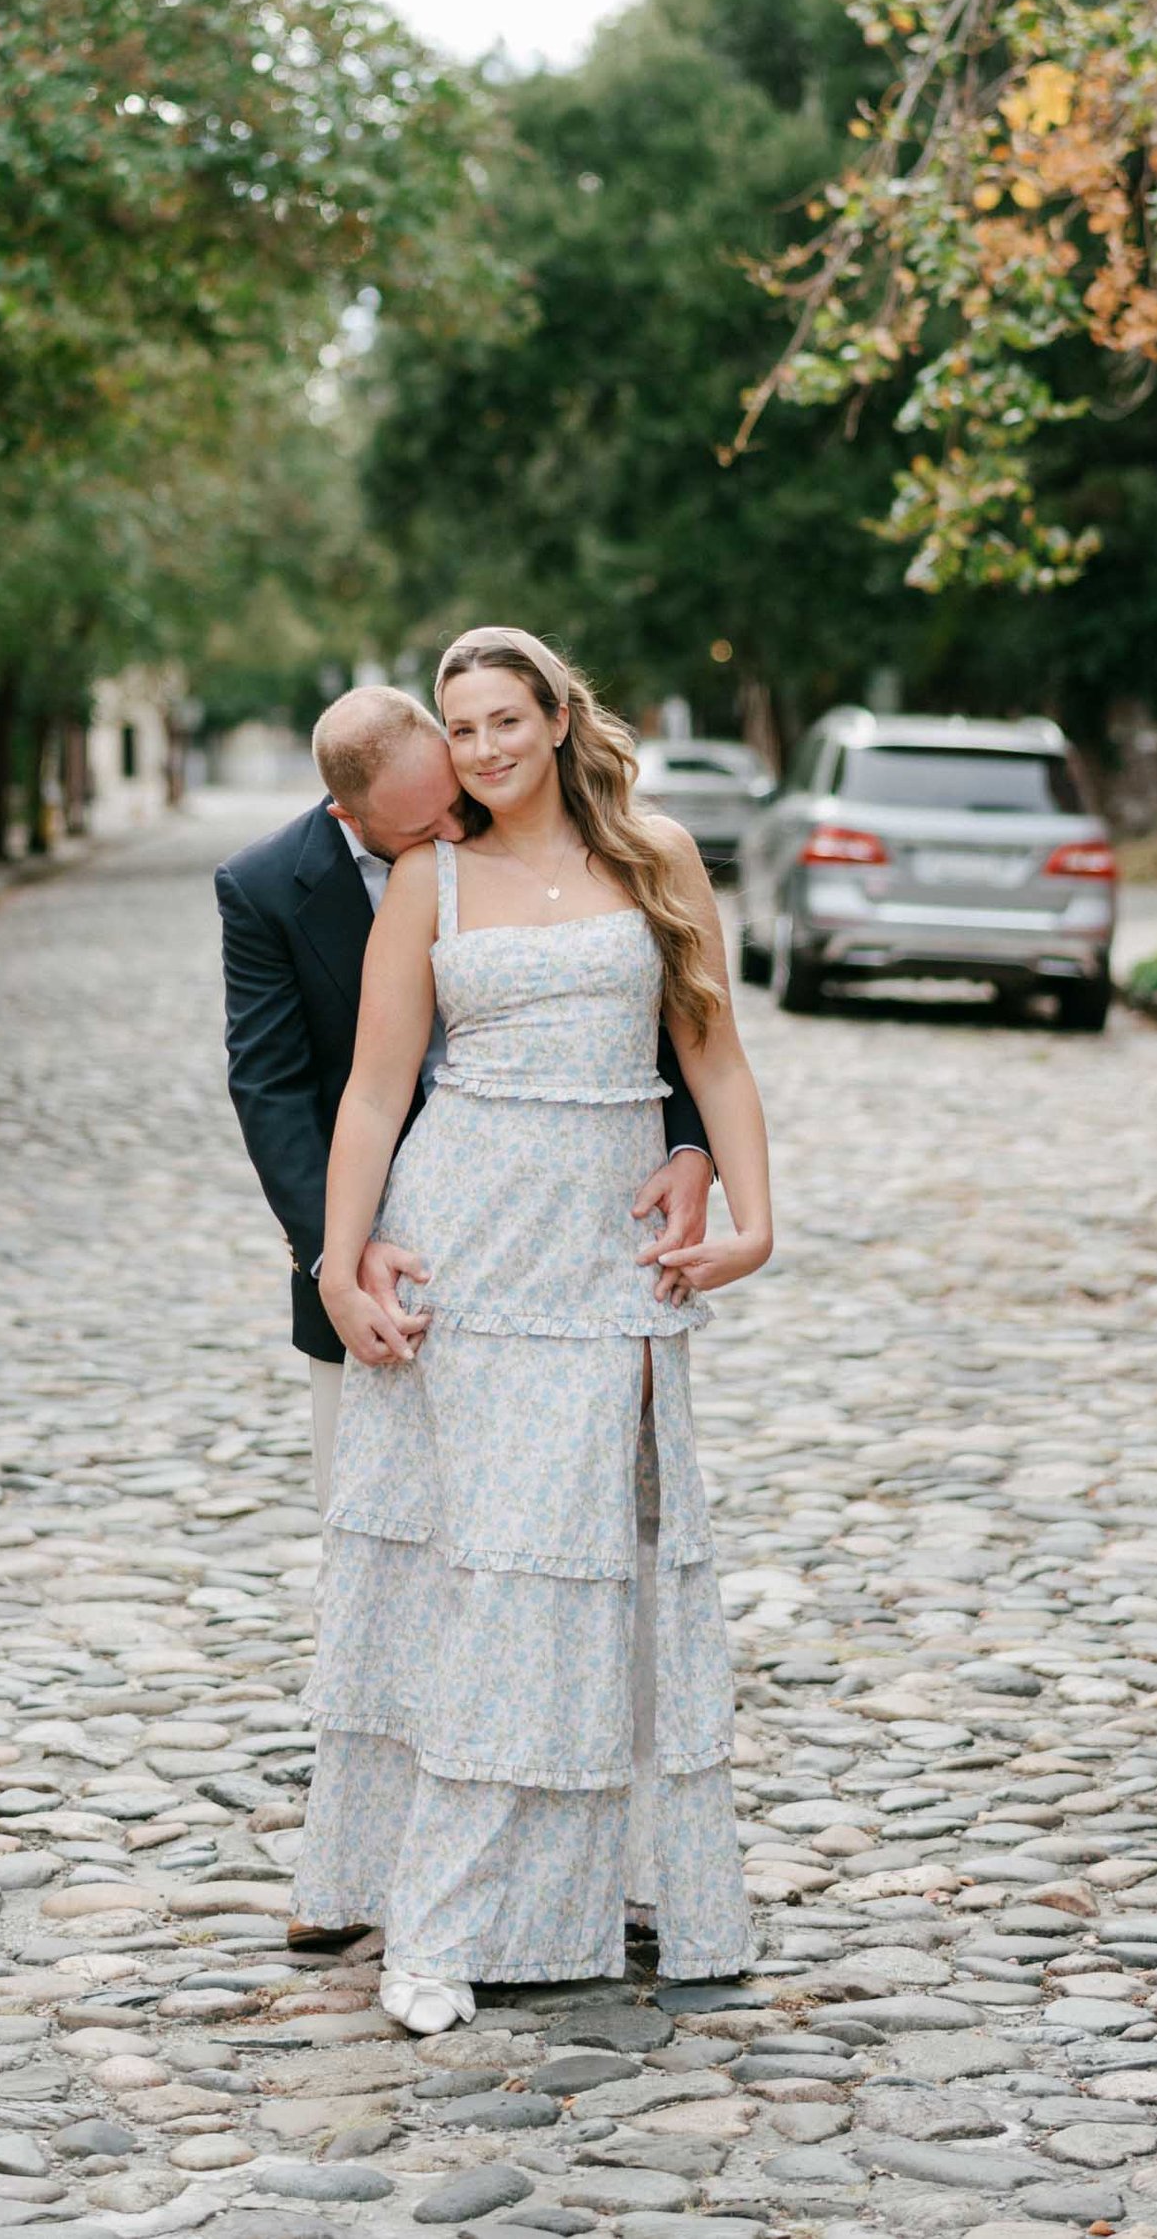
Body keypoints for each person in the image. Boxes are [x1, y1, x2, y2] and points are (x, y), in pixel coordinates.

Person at [292, 627, 773, 2036]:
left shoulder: (657, 857)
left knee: (576, 1584)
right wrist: (339, 1265)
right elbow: (376, 1094)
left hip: (606, 1265)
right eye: (464, 724)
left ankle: (583, 1892)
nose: (489, 744)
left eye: (509, 715)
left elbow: (716, 1049)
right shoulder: (427, 882)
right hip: (468, 1260)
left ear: (559, 714)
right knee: (491, 1587)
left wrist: (756, 1215)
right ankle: (431, 1926)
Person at [216, 685, 715, 1510]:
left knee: (570, 1506)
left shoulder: (534, 833)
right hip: (381, 1252)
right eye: (421, 831)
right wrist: (342, 1255)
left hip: (559, 1240)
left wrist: (692, 1148)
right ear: (347, 817)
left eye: (454, 803)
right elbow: (271, 1088)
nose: (454, 832)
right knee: (382, 1516)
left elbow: (650, 1013)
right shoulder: (264, 886)